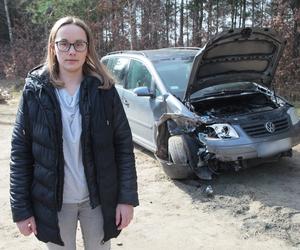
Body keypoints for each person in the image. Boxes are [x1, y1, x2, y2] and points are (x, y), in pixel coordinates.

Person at [10, 16, 139, 250]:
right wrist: (21, 210)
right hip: (52, 204)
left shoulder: (104, 90)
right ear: (53, 46)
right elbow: (21, 153)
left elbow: (123, 146)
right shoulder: (34, 92)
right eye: (64, 43)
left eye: (79, 44)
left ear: (88, 48)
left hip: (98, 200)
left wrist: (126, 199)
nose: (72, 51)